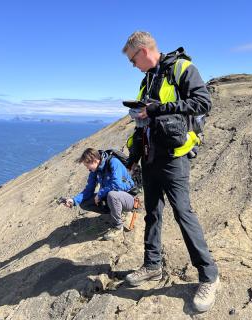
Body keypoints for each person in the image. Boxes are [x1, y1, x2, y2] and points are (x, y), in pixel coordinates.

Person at [122, 31, 219, 312]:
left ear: (143, 51)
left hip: (175, 157)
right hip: (150, 157)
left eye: (132, 60)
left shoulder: (182, 68)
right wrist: (133, 156)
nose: (132, 65)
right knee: (152, 213)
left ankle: (209, 276)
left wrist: (158, 108)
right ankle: (152, 265)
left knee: (183, 213)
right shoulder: (146, 80)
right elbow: (144, 123)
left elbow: (203, 103)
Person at [63, 148, 135, 240]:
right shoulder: (95, 171)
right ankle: (114, 212)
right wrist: (73, 200)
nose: (87, 168)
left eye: (87, 165)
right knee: (84, 202)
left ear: (95, 161)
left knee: (112, 195)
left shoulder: (113, 162)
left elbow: (117, 185)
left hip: (128, 198)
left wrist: (100, 194)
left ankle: (117, 227)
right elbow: (88, 190)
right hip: (111, 197)